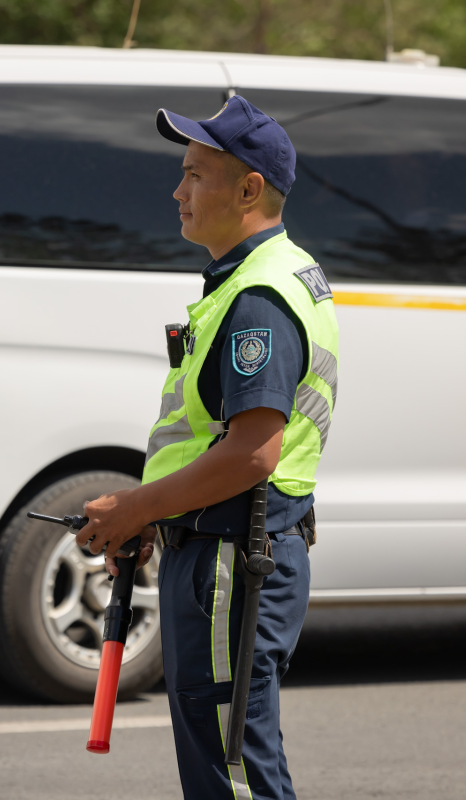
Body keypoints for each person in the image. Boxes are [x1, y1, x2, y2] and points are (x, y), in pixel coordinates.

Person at [73, 95, 339, 799]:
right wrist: (157, 517)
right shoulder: (259, 278)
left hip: (234, 558)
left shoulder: (258, 296)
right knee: (229, 763)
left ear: (249, 188)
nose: (177, 190)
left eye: (194, 174)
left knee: (234, 775)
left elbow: (254, 452)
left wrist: (135, 509)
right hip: (227, 547)